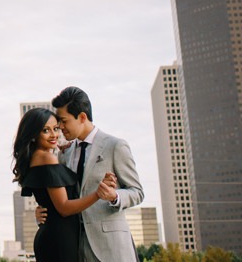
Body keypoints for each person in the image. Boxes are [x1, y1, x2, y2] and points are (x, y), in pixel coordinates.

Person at [36, 86, 144, 262]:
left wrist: (114, 196)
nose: (60, 127)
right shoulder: (64, 153)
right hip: (76, 248)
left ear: (82, 117)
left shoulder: (115, 146)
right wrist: (41, 212)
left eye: (64, 121)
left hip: (112, 248)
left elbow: (137, 192)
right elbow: (63, 197)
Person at [13, 107, 115, 262]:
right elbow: (64, 208)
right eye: (46, 130)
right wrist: (97, 194)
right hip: (59, 239)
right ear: (33, 134)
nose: (54, 135)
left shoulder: (37, 157)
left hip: (54, 236)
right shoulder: (47, 158)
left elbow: (50, 200)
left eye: (55, 128)